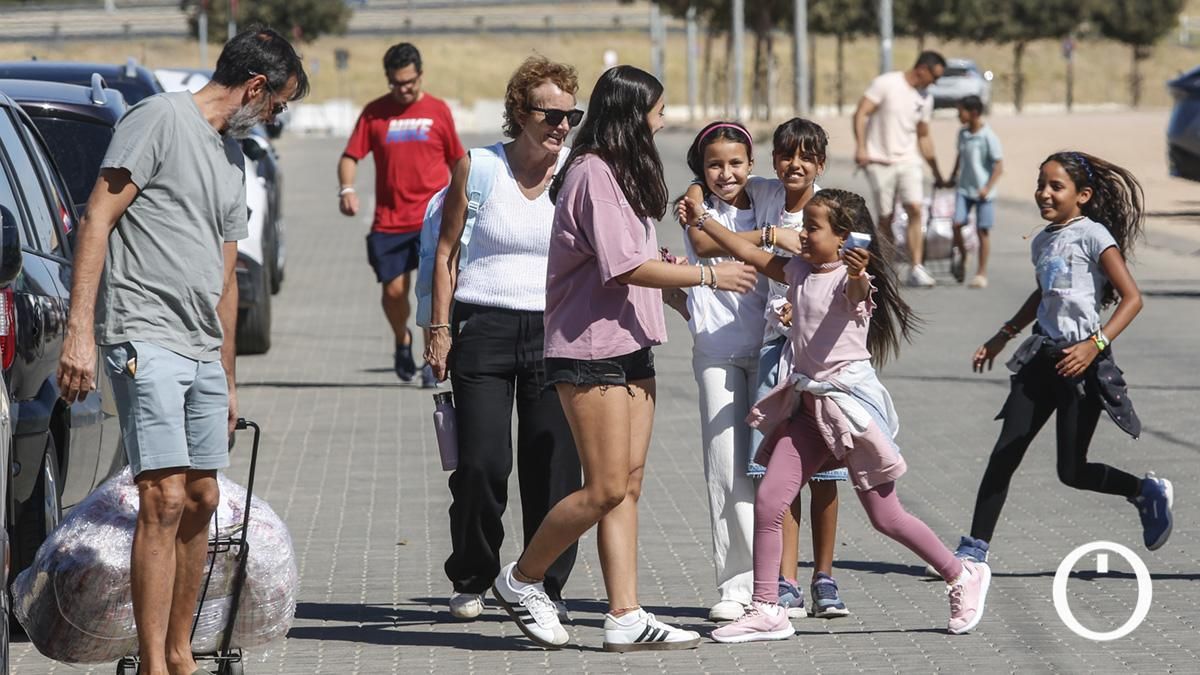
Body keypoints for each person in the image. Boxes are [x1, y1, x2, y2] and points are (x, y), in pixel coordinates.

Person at [55, 28, 307, 675]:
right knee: (161, 498)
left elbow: (227, 279)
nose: (275, 116)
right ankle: (153, 662)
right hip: (143, 332)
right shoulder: (158, 120)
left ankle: (179, 650)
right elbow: (97, 218)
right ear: (255, 87)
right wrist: (79, 329)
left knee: (200, 498)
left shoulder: (233, 158)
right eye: (278, 103)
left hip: (201, 349)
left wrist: (229, 377)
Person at [490, 65, 757, 652]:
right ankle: (521, 579)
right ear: (634, 114)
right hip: (590, 351)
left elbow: (637, 258)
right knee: (605, 486)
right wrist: (709, 274)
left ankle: (625, 614)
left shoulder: (621, 174)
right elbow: (621, 267)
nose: (662, 121)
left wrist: (676, 288)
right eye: (657, 111)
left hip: (632, 343)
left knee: (628, 486)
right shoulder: (591, 173)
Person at [680, 188, 991, 643]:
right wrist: (704, 221)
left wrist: (859, 272)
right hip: (809, 409)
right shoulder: (798, 270)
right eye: (803, 225)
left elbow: (857, 289)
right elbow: (747, 250)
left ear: (844, 236)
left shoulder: (852, 281)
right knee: (769, 499)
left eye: (812, 228)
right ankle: (768, 608)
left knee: (887, 517)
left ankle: (962, 574)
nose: (801, 235)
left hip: (849, 411)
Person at [946, 151, 1172, 569]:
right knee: (1005, 452)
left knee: (1072, 471)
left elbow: (1132, 298)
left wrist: (1095, 345)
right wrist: (1003, 335)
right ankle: (974, 550)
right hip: (1039, 359)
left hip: (1081, 363)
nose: (1044, 193)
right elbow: (1043, 294)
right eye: (1041, 184)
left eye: (1056, 186)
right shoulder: (1043, 239)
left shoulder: (1094, 235)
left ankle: (1144, 490)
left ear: (1082, 195)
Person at [425, 56, 583, 622]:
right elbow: (444, 255)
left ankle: (543, 584)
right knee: (482, 465)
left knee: (555, 467)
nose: (562, 125)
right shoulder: (479, 167)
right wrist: (438, 329)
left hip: (555, 333)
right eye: (551, 113)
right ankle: (472, 574)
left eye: (572, 114)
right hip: (482, 329)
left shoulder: (577, 172)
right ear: (520, 111)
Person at [679, 118, 851, 622]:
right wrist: (696, 189)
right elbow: (707, 242)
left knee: (790, 468)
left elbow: (808, 234)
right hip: (721, 345)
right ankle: (745, 585)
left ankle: (796, 579)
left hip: (785, 350)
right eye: (715, 164)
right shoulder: (718, 197)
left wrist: (775, 232)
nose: (726, 172)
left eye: (736, 163)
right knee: (730, 464)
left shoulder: (774, 193)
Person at [338, 42, 466, 384]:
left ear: (420, 75)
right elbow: (350, 156)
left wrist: (463, 201)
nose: (404, 89)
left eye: (410, 82)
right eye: (396, 83)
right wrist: (346, 189)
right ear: (388, 79)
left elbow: (457, 160)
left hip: (432, 220)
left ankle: (430, 360)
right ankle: (402, 339)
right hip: (390, 220)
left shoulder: (438, 111)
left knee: (430, 291)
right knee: (393, 292)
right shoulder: (374, 113)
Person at [853, 50, 947, 288]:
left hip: (909, 161)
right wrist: (861, 147)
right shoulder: (887, 83)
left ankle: (916, 267)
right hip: (879, 160)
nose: (934, 83)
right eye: (934, 77)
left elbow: (924, 136)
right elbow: (862, 112)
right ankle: (888, 263)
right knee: (886, 217)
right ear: (922, 69)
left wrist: (936, 171)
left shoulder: (926, 98)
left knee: (915, 208)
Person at [949, 95, 1003, 288]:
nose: (958, 116)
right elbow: (960, 157)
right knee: (956, 224)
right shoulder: (963, 134)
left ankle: (981, 272)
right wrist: (951, 176)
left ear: (973, 113)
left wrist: (987, 187)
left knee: (982, 231)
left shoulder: (988, 136)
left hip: (983, 192)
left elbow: (998, 166)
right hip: (964, 188)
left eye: (960, 111)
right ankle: (963, 255)